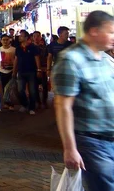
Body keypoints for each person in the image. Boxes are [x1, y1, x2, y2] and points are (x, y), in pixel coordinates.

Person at [52, 11, 114, 191]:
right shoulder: (70, 59)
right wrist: (70, 148)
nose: (113, 37)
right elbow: (63, 107)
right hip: (92, 141)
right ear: (94, 31)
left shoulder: (103, 58)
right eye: (110, 32)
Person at [12, 30, 41, 115]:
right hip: (21, 72)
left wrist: (38, 69)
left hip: (31, 71)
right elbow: (16, 60)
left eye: (21, 36)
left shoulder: (33, 47)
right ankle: (25, 104)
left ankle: (31, 107)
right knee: (20, 90)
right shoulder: (18, 48)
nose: (19, 37)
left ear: (26, 38)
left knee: (32, 91)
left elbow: (37, 58)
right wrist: (14, 71)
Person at [0, 36, 16, 109]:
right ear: (1, 41)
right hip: (2, 71)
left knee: (10, 88)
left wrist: (15, 71)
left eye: (7, 40)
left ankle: (11, 103)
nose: (5, 41)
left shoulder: (14, 49)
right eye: (3, 40)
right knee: (3, 87)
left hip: (11, 71)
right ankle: (6, 102)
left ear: (10, 40)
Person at [33, 31, 49, 109]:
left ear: (40, 37)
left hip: (43, 68)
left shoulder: (44, 47)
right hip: (33, 69)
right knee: (35, 86)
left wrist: (46, 68)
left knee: (44, 85)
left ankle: (44, 101)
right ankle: (38, 102)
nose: (36, 38)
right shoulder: (31, 47)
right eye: (34, 36)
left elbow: (46, 58)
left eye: (37, 36)